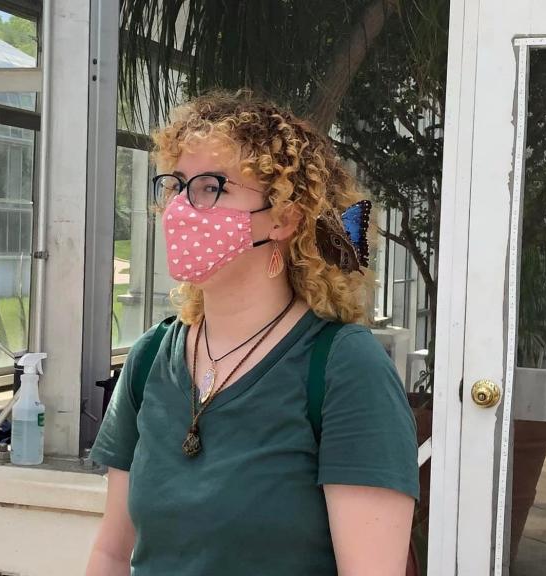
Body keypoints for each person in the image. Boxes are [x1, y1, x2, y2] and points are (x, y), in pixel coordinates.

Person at [86, 92, 419, 575]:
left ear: (284, 218)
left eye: (211, 187)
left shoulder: (345, 367)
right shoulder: (151, 357)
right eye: (176, 186)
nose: (180, 208)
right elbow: (113, 554)